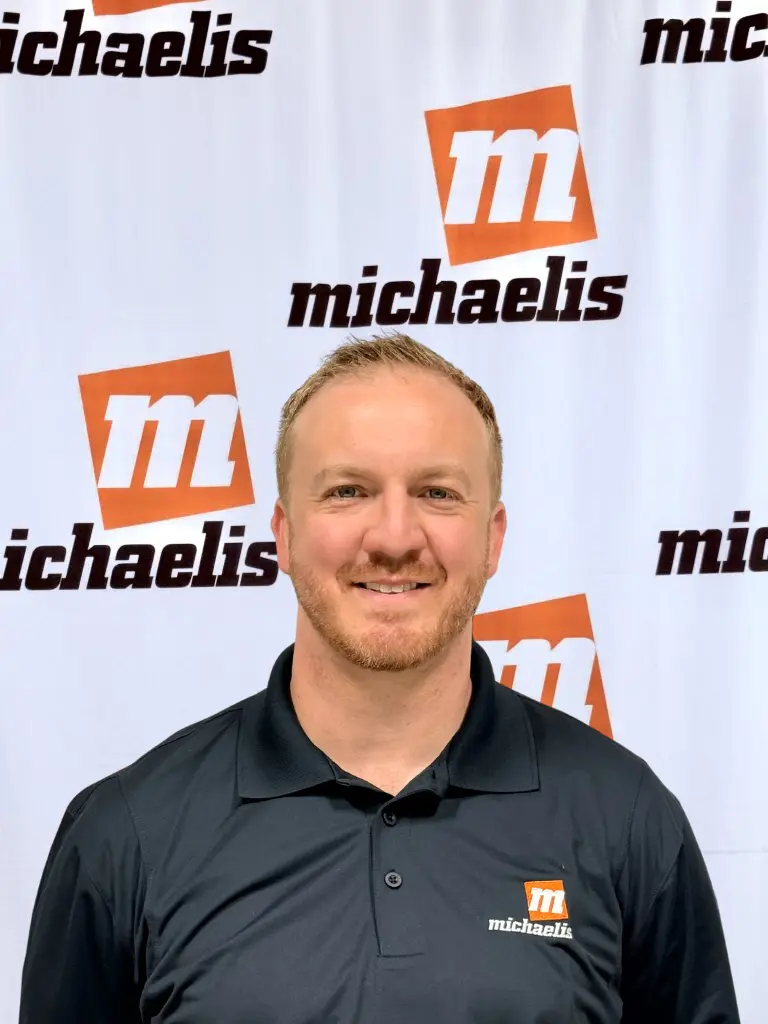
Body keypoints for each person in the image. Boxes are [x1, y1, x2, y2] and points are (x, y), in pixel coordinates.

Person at [19, 333, 740, 1023]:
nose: (394, 537)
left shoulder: (625, 819)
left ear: (493, 537)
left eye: (437, 492)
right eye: (347, 492)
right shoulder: (129, 835)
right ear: (283, 534)